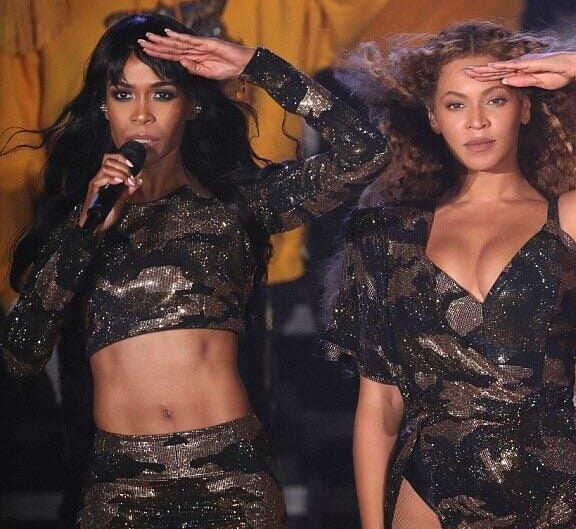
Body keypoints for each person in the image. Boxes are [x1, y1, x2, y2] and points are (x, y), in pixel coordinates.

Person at [1, 12, 387, 528]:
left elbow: (365, 153)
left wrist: (255, 64)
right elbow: (20, 356)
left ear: (192, 104)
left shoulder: (237, 204)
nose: (141, 114)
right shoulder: (77, 225)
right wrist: (83, 233)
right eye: (123, 94)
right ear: (103, 105)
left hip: (232, 477)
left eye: (161, 94)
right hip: (120, 487)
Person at [321, 21, 576, 529]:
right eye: (456, 105)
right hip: (432, 493)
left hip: (562, 496)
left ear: (524, 108)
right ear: (433, 118)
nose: (476, 122)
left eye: (494, 100)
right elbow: (380, 406)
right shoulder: (386, 238)